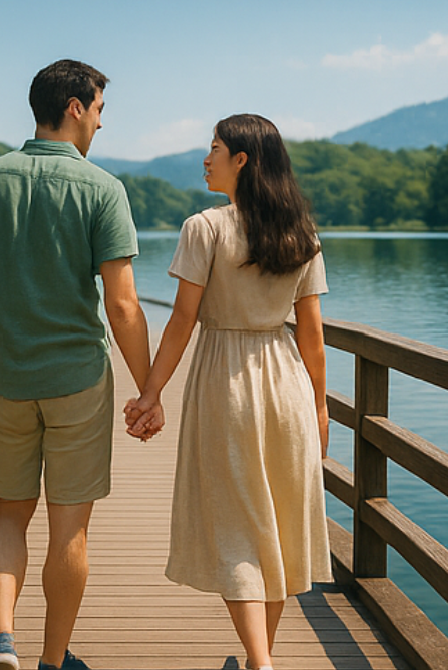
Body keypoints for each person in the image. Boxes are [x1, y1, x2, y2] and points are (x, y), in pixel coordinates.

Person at [0, 59, 152, 670]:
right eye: (98, 110)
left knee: (9, 512)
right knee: (70, 531)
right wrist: (150, 390)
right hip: (77, 382)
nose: (99, 123)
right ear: (74, 107)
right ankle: (52, 661)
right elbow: (122, 303)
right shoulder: (102, 189)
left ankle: (0, 641)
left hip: (5, 378)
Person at [125, 114, 332, 670]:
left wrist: (150, 393)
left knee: (237, 527)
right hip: (286, 380)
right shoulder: (301, 233)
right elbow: (311, 335)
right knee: (280, 523)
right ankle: (259, 657)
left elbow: (181, 323)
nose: (205, 157)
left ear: (242, 160)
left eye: (214, 148)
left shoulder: (205, 227)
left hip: (226, 383)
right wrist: (319, 405)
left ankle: (259, 662)